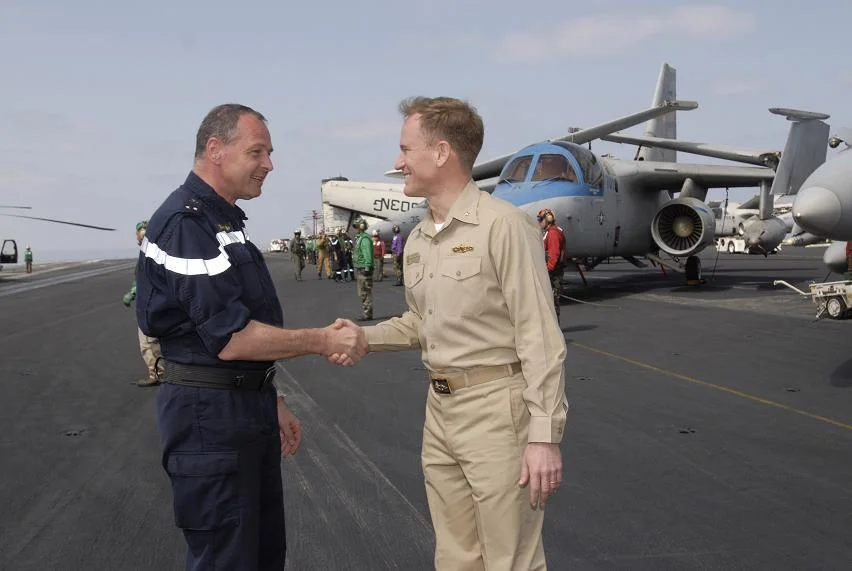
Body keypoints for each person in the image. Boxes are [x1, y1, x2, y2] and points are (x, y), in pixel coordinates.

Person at [135, 103, 367, 570]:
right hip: (210, 420)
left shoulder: (225, 224)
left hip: (243, 409)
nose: (269, 164)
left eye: (270, 152)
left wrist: (270, 398)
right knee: (227, 557)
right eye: (257, 151)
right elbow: (232, 338)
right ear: (215, 150)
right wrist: (323, 340)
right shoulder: (187, 225)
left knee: (261, 553)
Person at [361, 97, 567, 570]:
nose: (398, 162)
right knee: (455, 556)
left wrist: (543, 437)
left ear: (440, 152)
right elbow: (420, 322)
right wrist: (359, 337)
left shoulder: (504, 227)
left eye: (405, 148)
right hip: (440, 411)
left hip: (497, 410)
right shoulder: (418, 239)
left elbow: (539, 335)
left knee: (509, 559)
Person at [122, 220, 164, 387]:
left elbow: (143, 281)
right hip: (158, 305)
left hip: (149, 306)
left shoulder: (147, 257)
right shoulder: (159, 255)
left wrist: (131, 294)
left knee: (148, 343)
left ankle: (157, 374)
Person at [538, 208, 566, 320]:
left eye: (541, 219)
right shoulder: (551, 231)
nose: (539, 222)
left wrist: (544, 270)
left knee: (552, 306)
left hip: (553, 275)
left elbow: (553, 256)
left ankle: (554, 333)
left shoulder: (553, 233)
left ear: (547, 219)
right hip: (553, 274)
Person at [352, 218, 374, 320]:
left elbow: (367, 254)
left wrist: (367, 266)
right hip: (360, 268)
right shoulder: (359, 238)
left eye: (356, 226)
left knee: (365, 292)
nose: (355, 229)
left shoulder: (364, 239)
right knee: (362, 293)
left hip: (364, 269)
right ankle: (366, 312)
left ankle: (367, 314)